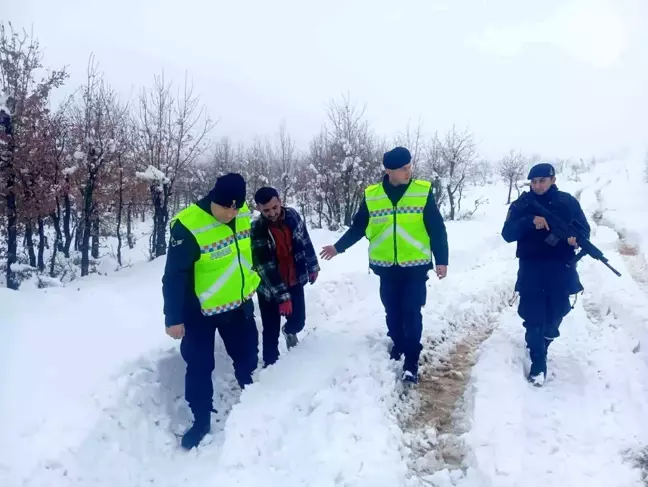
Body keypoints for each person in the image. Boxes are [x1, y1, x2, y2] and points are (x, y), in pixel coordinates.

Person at [320, 147, 449, 385]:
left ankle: (411, 360)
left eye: (409, 166)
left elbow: (437, 228)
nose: (408, 171)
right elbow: (359, 227)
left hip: (415, 267)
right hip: (386, 268)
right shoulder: (373, 195)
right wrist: (338, 247)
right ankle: (398, 341)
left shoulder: (422, 192)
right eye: (403, 168)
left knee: (411, 311)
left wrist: (442, 259)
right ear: (389, 171)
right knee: (392, 310)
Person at [162, 173, 261, 449]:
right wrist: (173, 318)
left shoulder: (242, 216)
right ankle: (201, 418)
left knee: (247, 353)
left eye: (236, 207)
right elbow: (174, 276)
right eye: (226, 207)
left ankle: (251, 393)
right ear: (212, 199)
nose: (231, 213)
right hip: (199, 312)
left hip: (237, 305)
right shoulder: (188, 225)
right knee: (200, 365)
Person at [501, 162, 590, 386]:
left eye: (542, 180)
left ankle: (543, 341)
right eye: (534, 181)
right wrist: (529, 221)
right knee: (533, 315)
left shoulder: (567, 203)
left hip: (560, 267)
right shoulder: (521, 204)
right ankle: (538, 363)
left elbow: (584, 230)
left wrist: (576, 240)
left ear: (553, 180)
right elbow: (507, 233)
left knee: (558, 310)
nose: (538, 185)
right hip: (531, 267)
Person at [250, 186, 320, 367]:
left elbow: (305, 239)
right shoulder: (257, 229)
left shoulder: (293, 216)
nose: (272, 213)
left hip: (294, 279)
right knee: (270, 330)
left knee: (298, 321)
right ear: (258, 208)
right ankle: (270, 365)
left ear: (280, 202)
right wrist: (282, 297)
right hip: (269, 288)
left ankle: (289, 331)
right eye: (266, 210)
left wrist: (313, 265)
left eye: (274, 207)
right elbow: (265, 266)